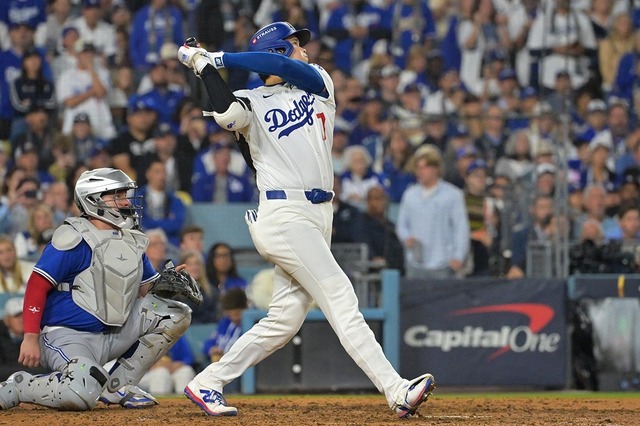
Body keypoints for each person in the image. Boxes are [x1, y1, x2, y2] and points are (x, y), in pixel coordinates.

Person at [177, 21, 434, 417]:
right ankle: (396, 389)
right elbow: (226, 114)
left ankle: (207, 381)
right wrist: (203, 66)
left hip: (318, 214)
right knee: (340, 295)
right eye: (295, 44)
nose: (305, 51)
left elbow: (286, 68)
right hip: (284, 214)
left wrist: (218, 57)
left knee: (284, 321)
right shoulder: (249, 100)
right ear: (277, 50)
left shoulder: (318, 83)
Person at [0, 167, 193, 411]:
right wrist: (30, 337)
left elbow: (148, 291)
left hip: (113, 333)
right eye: (117, 195)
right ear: (93, 199)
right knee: (80, 393)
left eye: (124, 195)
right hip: (67, 336)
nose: (126, 201)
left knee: (175, 313)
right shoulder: (72, 238)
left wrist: (168, 283)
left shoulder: (131, 240)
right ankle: (20, 386)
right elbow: (36, 287)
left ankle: (118, 387)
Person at [396, 145, 470, 279]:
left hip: (444, 262)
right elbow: (402, 225)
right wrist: (406, 237)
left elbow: (461, 227)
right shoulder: (410, 195)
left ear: (435, 169)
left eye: (424, 167)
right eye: (418, 168)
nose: (420, 172)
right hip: (415, 262)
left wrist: (459, 256)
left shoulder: (453, 195)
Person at [0, 297, 47, 381]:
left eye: (25, 316)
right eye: (17, 316)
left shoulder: (40, 338)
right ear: (6, 320)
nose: (22, 320)